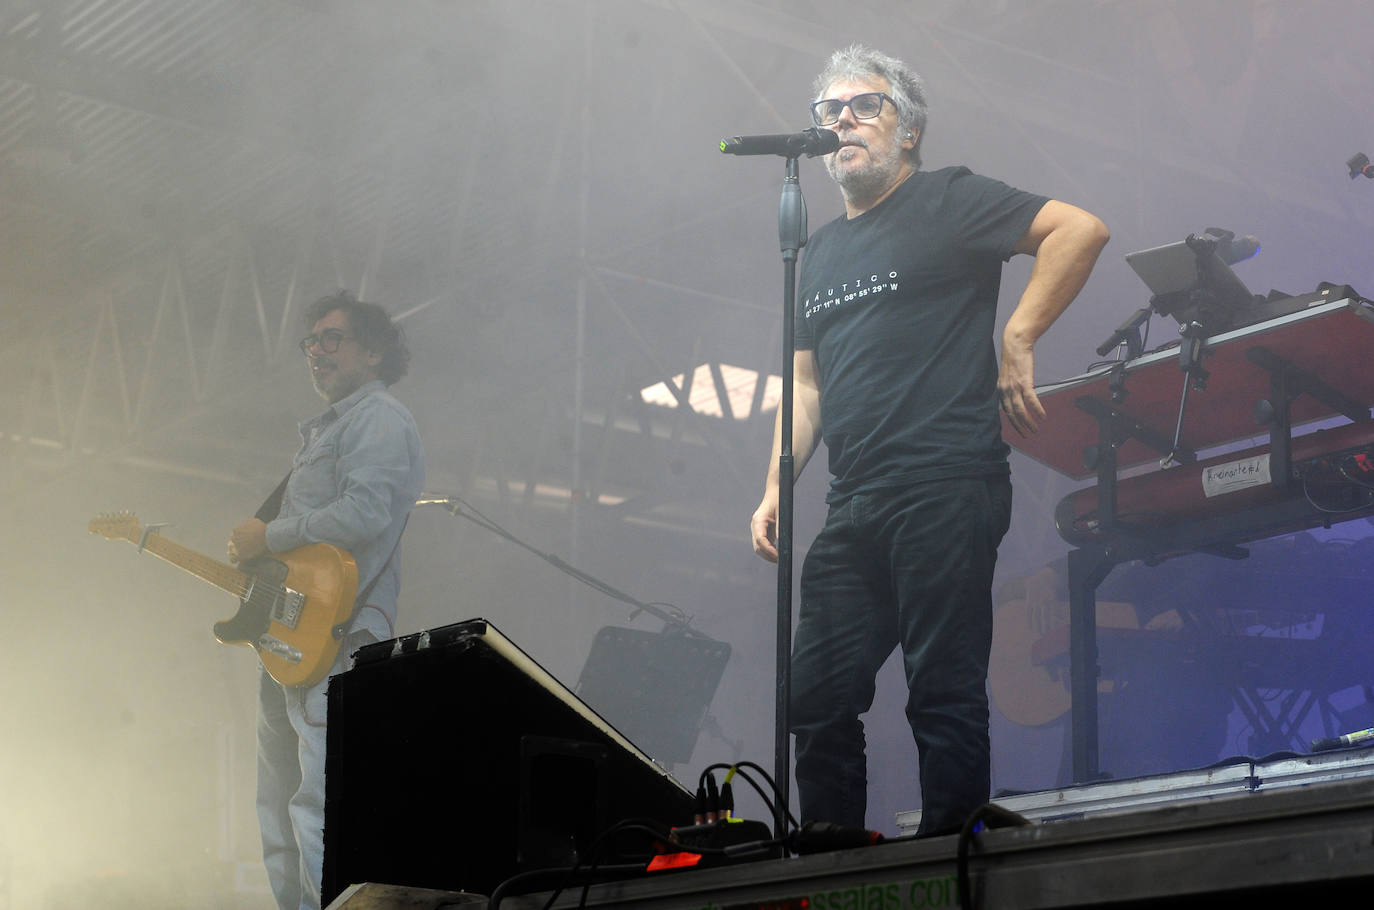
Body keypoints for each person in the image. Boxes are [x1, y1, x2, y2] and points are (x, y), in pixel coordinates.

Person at [749, 44, 1110, 836]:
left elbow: (1077, 230)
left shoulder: (949, 199)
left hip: (947, 479)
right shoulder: (817, 253)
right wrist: (779, 485)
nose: (843, 120)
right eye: (829, 111)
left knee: (941, 683)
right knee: (817, 692)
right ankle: (831, 853)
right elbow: (806, 384)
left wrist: (1020, 332)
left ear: (907, 131)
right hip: (857, 498)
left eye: (864, 106)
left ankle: (952, 849)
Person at [228, 290, 425, 909]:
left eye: (331, 339)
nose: (316, 352)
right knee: (279, 807)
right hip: (289, 637)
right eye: (310, 342)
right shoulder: (328, 429)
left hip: (335, 640)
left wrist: (271, 533)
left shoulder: (380, 419)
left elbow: (367, 512)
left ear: (373, 350)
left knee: (316, 803)